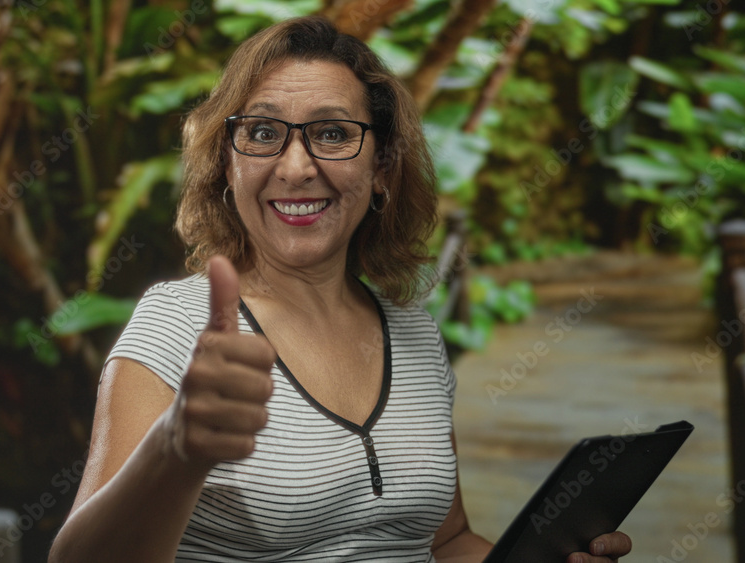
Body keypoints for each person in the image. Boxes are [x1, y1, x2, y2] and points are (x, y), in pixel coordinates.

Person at [48, 15, 632, 563]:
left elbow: (448, 541)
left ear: (382, 168)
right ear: (229, 165)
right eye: (262, 132)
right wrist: (176, 448)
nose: (296, 166)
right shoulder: (176, 324)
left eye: (331, 133)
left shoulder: (415, 332)